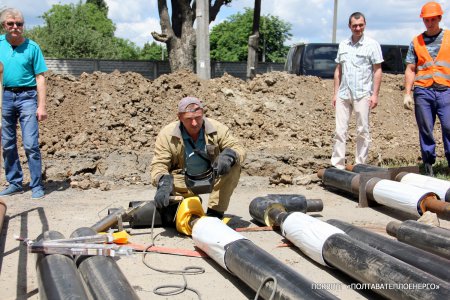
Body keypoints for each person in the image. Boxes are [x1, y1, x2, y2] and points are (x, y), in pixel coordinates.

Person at [150, 96, 246, 219]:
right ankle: (189, 201)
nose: (194, 123)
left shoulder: (217, 128)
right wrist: (162, 181)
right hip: (182, 182)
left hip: (212, 176)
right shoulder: (167, 135)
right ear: (179, 117)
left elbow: (238, 147)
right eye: (189, 119)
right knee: (175, 216)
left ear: (203, 114)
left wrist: (228, 156)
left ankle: (215, 213)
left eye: (198, 118)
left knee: (234, 164)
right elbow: (159, 164)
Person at [0, 8, 47, 199]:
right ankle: (15, 182)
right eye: (11, 24)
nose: (15, 27)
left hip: (27, 96)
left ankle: (36, 185)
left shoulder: (32, 47)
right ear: (4, 25)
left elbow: (40, 77)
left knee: (30, 144)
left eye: (19, 24)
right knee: (8, 144)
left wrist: (41, 105)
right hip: (4, 97)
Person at [331, 12, 383, 170]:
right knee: (340, 131)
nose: (358, 28)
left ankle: (360, 165)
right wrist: (335, 93)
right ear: (349, 26)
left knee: (362, 130)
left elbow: (377, 70)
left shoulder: (372, 45)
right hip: (344, 94)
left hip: (362, 94)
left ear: (365, 24)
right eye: (354, 25)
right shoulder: (343, 45)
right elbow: (338, 70)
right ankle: (337, 165)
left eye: (360, 25)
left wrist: (375, 94)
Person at [404, 2, 450, 176]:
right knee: (425, 128)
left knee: (448, 126)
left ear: (439, 18)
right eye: (426, 20)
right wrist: (407, 93)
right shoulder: (416, 41)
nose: (429, 23)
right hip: (423, 91)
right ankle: (428, 164)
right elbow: (410, 68)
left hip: (446, 90)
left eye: (432, 19)